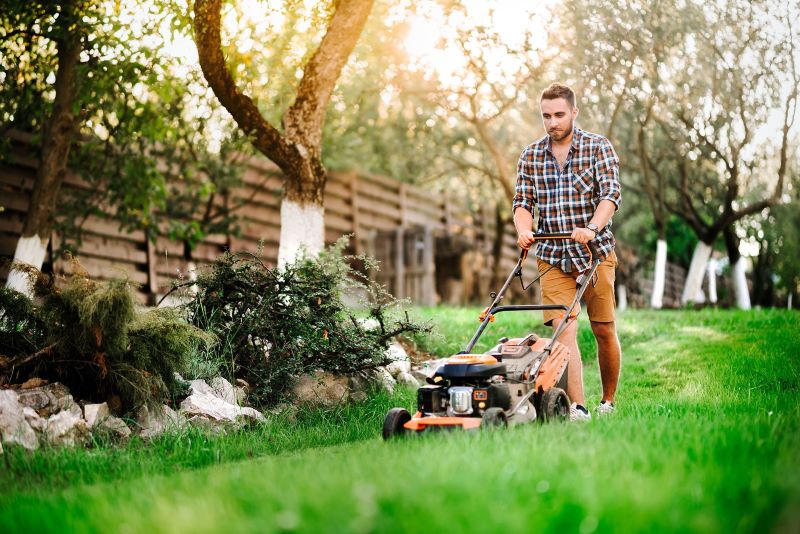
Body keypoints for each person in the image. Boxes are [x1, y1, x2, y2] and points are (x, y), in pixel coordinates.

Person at [512, 82, 622, 421]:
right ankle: (578, 407)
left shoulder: (597, 147)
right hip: (553, 255)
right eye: (546, 116)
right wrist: (524, 229)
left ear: (574, 112)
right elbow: (522, 202)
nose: (552, 122)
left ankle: (607, 401)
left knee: (603, 329)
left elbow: (610, 196)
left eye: (559, 114)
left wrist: (591, 227)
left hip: (594, 252)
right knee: (564, 332)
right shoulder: (531, 155)